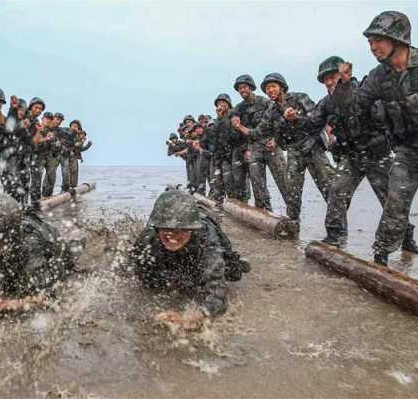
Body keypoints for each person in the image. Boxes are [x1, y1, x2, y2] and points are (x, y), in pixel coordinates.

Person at [332, 11, 418, 265]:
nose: (373, 47)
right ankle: (381, 258)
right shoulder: (377, 77)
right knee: (394, 203)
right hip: (408, 150)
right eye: (370, 42)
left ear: (398, 38)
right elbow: (355, 109)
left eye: (378, 40)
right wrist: (343, 85)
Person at [131, 190, 250, 329]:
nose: (172, 236)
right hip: (185, 231)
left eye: (180, 229)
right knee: (153, 278)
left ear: (190, 230)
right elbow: (138, 276)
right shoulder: (147, 240)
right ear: (157, 228)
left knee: (233, 272)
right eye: (166, 229)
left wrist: (189, 318)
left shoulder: (207, 241)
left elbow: (218, 298)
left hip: (207, 220)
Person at [253, 73, 334, 222]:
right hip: (293, 151)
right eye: (267, 89)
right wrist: (240, 127)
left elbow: (318, 118)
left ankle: (337, 231)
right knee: (292, 192)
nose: (270, 91)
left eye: (272, 87)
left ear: (281, 87)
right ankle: (292, 226)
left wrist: (296, 118)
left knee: (328, 187)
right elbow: (258, 132)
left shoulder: (299, 98)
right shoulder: (271, 112)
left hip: (312, 146)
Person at [231, 74, 289, 211]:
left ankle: (293, 215)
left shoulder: (265, 102)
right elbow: (233, 119)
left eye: (244, 87)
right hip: (254, 148)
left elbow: (279, 120)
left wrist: (276, 140)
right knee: (258, 185)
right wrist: (234, 119)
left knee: (284, 181)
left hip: (272, 145)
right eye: (239, 88)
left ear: (250, 87)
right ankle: (264, 214)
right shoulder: (239, 108)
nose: (242, 90)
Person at [69, 120, 92, 189]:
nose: (83, 136)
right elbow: (76, 146)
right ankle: (70, 186)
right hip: (69, 156)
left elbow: (80, 149)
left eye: (84, 135)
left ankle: (73, 186)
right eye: (82, 134)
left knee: (75, 171)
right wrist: (82, 142)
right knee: (71, 171)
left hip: (74, 157)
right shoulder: (74, 137)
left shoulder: (78, 139)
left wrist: (88, 145)